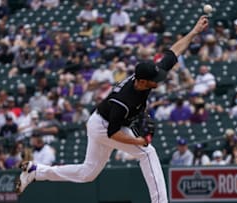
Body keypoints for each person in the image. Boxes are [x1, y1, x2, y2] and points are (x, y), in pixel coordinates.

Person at [15, 16, 209, 203]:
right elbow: (113, 133)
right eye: (153, 80)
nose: (157, 81)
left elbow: (173, 53)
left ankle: (36, 172)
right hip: (104, 126)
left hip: (101, 120)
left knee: (87, 174)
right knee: (147, 152)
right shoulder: (124, 99)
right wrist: (138, 140)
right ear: (142, 82)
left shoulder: (145, 78)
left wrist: (194, 31)